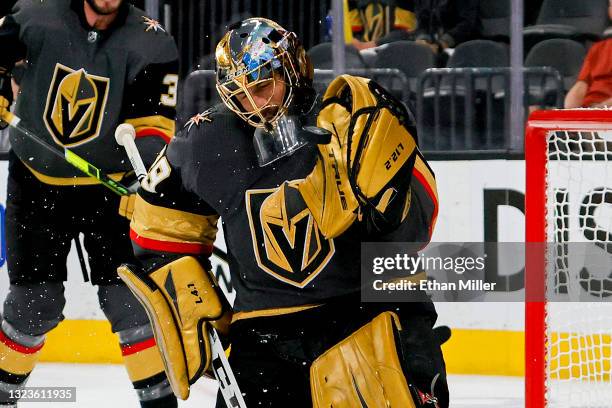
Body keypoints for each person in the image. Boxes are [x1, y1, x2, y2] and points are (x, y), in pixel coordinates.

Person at [119, 17, 448, 407]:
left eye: (261, 87)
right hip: (264, 330)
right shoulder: (208, 140)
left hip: (367, 310)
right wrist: (187, 291)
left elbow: (419, 220)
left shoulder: (349, 120)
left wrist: (385, 206)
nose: (254, 105)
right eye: (240, 96)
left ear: (292, 68)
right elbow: (157, 224)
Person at [0, 1, 179, 407]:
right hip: (36, 185)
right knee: (33, 305)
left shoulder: (152, 42)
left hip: (109, 195)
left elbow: (155, 126)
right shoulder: (32, 14)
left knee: (131, 303)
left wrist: (143, 171)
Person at [565, 0, 612, 108]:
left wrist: (602, 107)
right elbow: (582, 84)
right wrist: (569, 111)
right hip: (591, 110)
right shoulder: (598, 48)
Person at [413, 0, 480, 62]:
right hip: (438, 52)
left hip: (467, 50)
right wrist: (423, 40)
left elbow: (467, 23)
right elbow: (423, 21)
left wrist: (441, 44)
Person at [349, 0, 418, 50]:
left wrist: (372, 44)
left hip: (396, 51)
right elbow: (352, 31)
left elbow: (407, 33)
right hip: (363, 54)